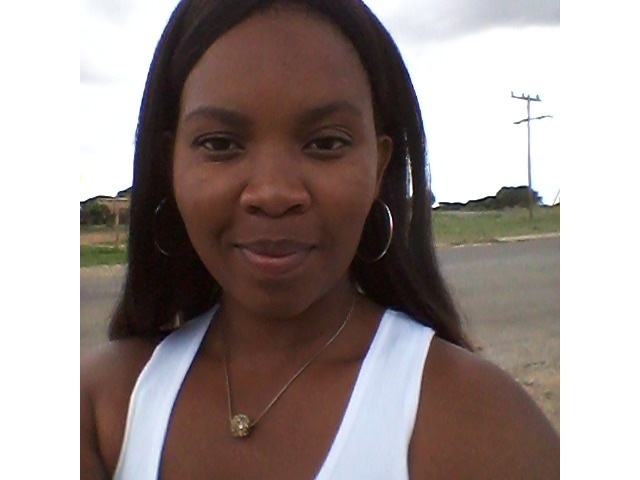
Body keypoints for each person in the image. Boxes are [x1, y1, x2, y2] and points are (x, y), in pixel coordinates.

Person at [80, 0, 560, 478]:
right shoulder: (99, 412)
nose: (273, 193)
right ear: (172, 165)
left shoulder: (483, 426)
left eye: (326, 143)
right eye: (220, 144)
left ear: (379, 167)